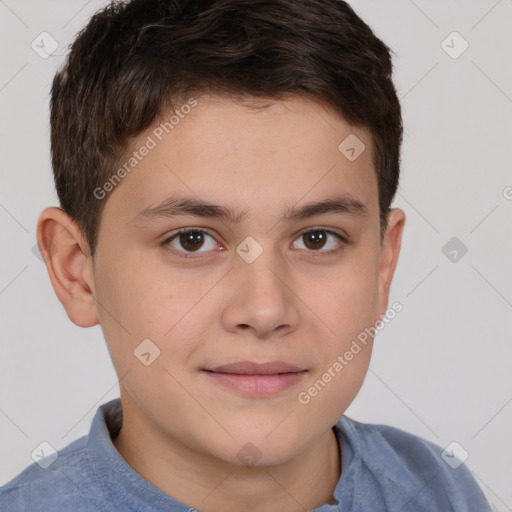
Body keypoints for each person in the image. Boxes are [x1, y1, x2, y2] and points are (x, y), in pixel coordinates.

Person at [0, 0, 491, 510]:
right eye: (191, 240)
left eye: (317, 238)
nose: (264, 311)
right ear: (77, 271)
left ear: (382, 264)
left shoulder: (441, 490)